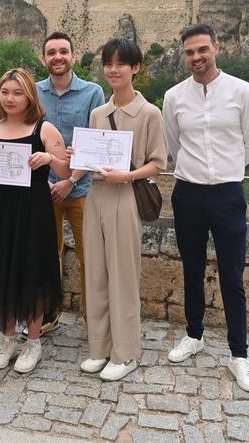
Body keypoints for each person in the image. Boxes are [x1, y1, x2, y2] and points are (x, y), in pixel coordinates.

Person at [163, 24, 249, 392]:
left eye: (202, 50)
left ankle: (239, 355)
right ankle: (194, 335)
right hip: (187, 193)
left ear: (216, 47)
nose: (196, 57)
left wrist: (224, 171)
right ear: (183, 54)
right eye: (189, 52)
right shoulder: (174, 97)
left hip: (227, 194)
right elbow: (173, 144)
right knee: (191, 269)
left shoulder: (242, 92)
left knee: (232, 276)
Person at [72, 38, 167, 381]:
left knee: (123, 276)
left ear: (135, 68)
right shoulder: (99, 113)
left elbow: (158, 163)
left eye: (120, 64)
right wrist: (75, 158)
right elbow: (91, 157)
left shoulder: (149, 113)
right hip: (95, 194)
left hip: (125, 196)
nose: (113, 70)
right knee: (96, 273)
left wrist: (126, 174)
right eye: (108, 64)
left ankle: (126, 353)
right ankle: (99, 347)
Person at [0, 68, 70, 373]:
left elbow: (66, 172)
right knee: (2, 271)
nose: (10, 98)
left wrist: (50, 159)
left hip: (32, 212)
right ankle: (8, 337)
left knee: (32, 273)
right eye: (5, 92)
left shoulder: (45, 129)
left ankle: (34, 340)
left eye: (18, 92)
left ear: (30, 96)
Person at [34, 32, 105, 335]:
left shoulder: (93, 93)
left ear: (74, 56)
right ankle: (49, 314)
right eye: (52, 52)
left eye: (64, 51)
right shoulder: (33, 92)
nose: (58, 57)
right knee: (47, 255)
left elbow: (96, 143)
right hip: (41, 190)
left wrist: (71, 179)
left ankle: (94, 319)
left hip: (81, 189)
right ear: (44, 59)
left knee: (91, 254)